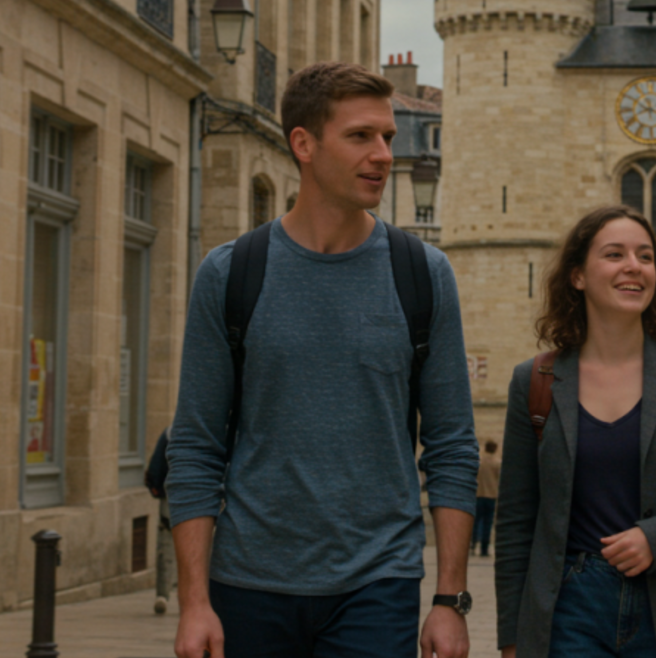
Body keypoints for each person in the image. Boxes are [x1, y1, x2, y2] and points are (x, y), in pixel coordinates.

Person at [166, 63, 479, 658]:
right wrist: (194, 602)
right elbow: (195, 448)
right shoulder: (230, 274)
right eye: (361, 136)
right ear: (303, 144)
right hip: (247, 584)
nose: (384, 154)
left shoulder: (423, 275)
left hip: (378, 584)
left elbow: (452, 445)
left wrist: (448, 600)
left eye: (387, 136)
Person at [494, 206, 656, 658]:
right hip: (568, 609)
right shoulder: (534, 382)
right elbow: (516, 519)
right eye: (614, 254)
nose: (634, 266)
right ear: (577, 275)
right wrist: (512, 639)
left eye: (645, 256)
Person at [144, 428, 174, 614]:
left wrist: (157, 489)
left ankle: (162, 594)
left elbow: (155, 468)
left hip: (172, 498)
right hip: (206, 499)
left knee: (166, 545)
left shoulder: (171, 432)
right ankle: (199, 596)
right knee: (203, 549)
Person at [476, 440, 502, 557]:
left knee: (476, 521)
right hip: (491, 495)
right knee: (488, 523)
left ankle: (473, 543)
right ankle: (484, 548)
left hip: (478, 494)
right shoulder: (497, 463)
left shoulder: (479, 462)